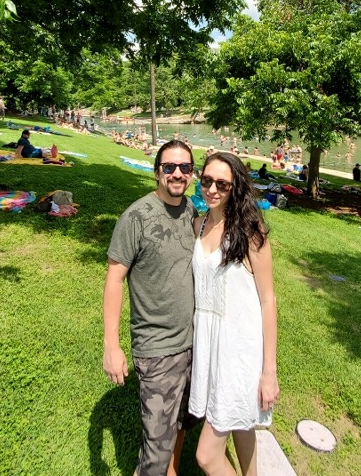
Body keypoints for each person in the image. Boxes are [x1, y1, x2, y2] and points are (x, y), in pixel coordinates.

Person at [103, 141, 198, 476]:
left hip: (194, 343)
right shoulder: (136, 217)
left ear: (192, 174)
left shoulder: (191, 211)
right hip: (158, 350)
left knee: (184, 421)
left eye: (184, 168)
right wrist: (111, 347)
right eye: (169, 167)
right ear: (157, 171)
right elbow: (115, 279)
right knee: (155, 453)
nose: (177, 173)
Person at [189, 151, 278, 476]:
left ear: (235, 187)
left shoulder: (251, 232)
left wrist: (269, 372)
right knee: (241, 424)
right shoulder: (198, 225)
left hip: (239, 351)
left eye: (222, 184)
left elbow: (268, 301)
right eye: (207, 180)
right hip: (209, 345)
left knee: (206, 456)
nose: (212, 189)